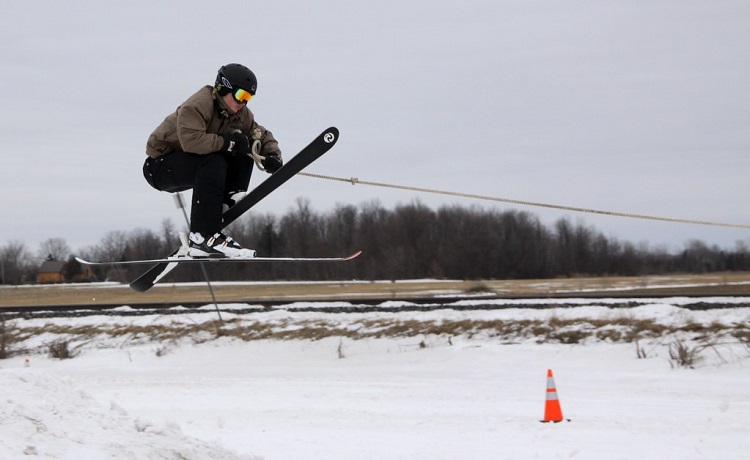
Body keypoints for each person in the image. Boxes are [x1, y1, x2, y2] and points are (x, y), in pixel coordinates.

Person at [143, 63, 283, 258]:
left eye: (249, 98)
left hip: (195, 164)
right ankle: (201, 237)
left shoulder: (240, 114)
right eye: (241, 96)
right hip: (159, 167)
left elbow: (259, 134)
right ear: (224, 88)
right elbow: (192, 142)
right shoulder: (197, 106)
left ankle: (228, 198)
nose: (244, 103)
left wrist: (272, 155)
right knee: (215, 159)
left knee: (243, 147)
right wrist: (228, 143)